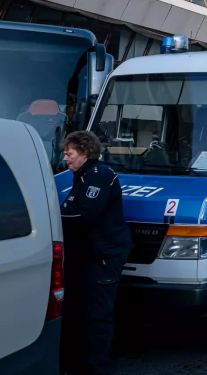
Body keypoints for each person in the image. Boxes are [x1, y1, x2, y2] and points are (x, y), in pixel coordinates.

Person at [59, 131, 132, 375]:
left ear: (85, 152)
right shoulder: (82, 176)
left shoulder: (99, 176)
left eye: (69, 153)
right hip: (88, 255)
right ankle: (78, 362)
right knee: (79, 310)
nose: (65, 159)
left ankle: (97, 368)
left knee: (97, 314)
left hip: (104, 256)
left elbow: (82, 213)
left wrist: (50, 217)